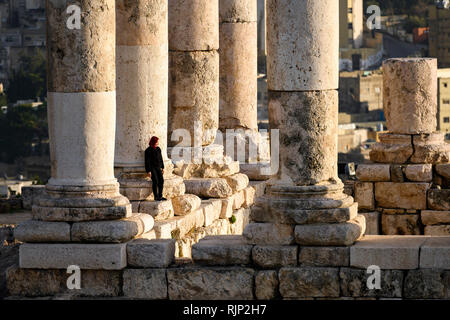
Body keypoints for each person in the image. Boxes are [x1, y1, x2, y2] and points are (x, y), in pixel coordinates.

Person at [145, 136, 166, 201]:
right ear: (153, 142)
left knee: (161, 181)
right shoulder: (148, 150)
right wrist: (148, 171)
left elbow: (161, 159)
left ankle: (160, 195)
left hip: (158, 167)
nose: (158, 143)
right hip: (152, 168)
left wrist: (162, 167)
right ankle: (156, 197)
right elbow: (147, 161)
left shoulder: (158, 149)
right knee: (155, 181)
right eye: (157, 142)